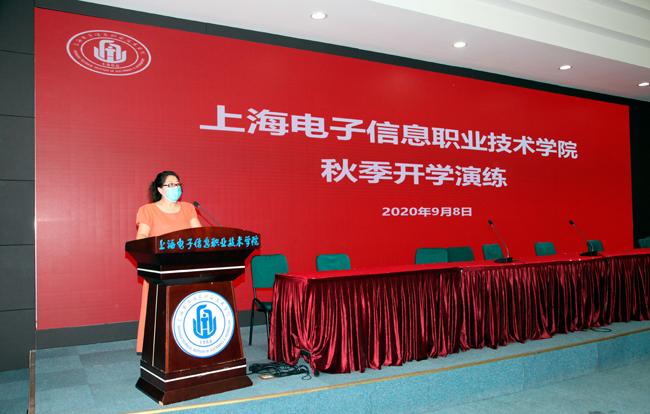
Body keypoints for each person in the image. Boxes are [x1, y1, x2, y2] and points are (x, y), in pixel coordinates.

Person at [135, 171, 201, 353]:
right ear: (160, 189)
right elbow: (142, 236)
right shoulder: (148, 210)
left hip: (186, 266)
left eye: (178, 184)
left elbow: (200, 236)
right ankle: (156, 347)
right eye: (171, 184)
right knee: (161, 309)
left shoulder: (188, 208)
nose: (175, 188)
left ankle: (187, 346)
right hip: (160, 267)